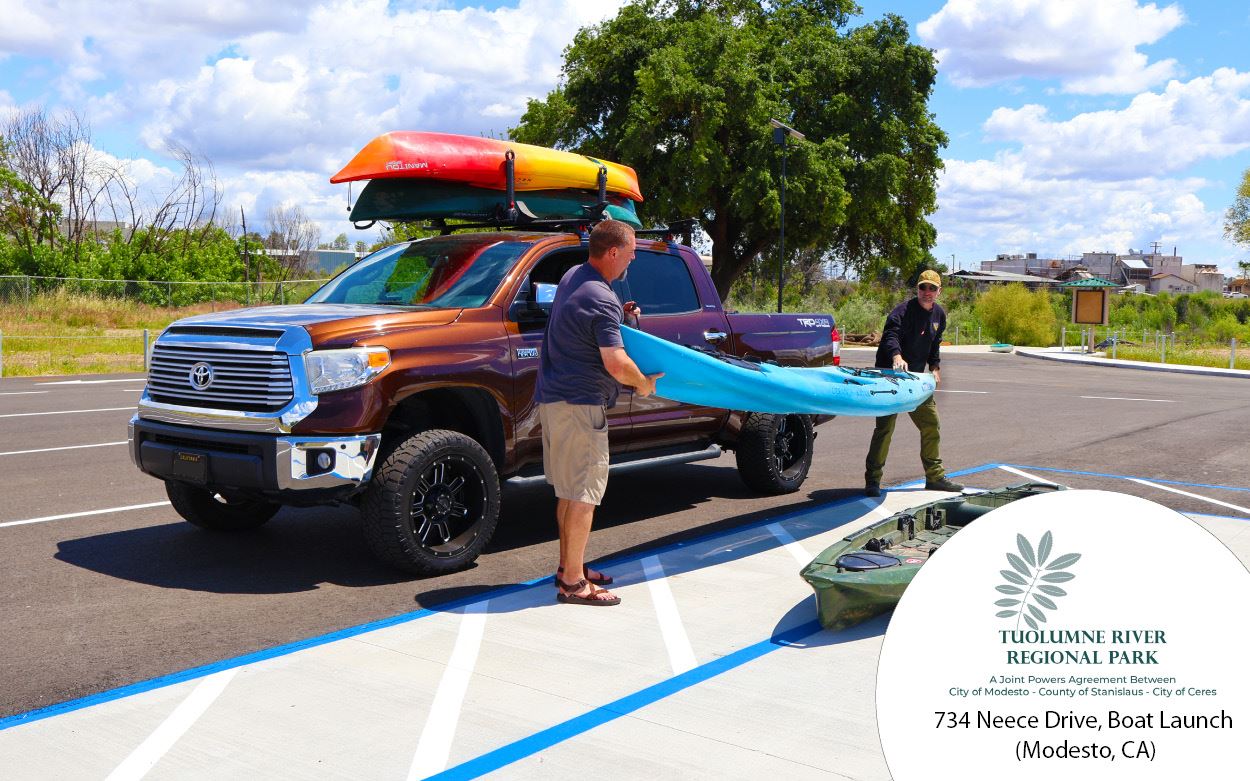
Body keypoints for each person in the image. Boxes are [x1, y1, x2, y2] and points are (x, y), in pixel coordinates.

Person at [535, 220, 663, 606]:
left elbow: (584, 321)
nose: (634, 256)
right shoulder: (602, 299)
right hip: (581, 406)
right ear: (612, 253)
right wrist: (642, 383)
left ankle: (568, 566)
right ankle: (573, 584)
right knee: (585, 496)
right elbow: (615, 361)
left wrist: (618, 314)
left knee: (568, 493)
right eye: (630, 251)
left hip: (554, 401)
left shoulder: (576, 277)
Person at [863, 269, 963, 497]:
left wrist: (935, 367)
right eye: (923, 287)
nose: (927, 292)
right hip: (890, 377)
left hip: (917, 380)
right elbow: (891, 336)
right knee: (885, 429)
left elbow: (934, 344)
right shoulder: (902, 312)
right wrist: (896, 356)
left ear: (939, 291)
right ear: (917, 289)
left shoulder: (939, 315)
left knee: (931, 425)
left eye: (932, 288)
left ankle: (935, 477)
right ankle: (873, 480)